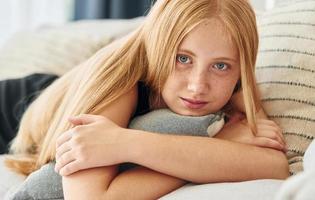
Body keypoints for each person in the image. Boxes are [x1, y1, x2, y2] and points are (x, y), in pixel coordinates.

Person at [4, 0, 289, 199]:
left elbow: (272, 165)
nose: (198, 85)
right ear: (158, 47)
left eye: (220, 65)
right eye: (183, 58)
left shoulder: (238, 91)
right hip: (12, 104)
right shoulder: (120, 79)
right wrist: (217, 148)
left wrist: (125, 143)